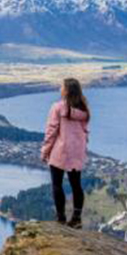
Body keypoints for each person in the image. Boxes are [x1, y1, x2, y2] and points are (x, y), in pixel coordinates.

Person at [41, 78, 90, 228]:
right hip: (77, 151)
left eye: (61, 87)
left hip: (60, 151)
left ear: (66, 90)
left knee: (57, 184)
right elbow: (85, 131)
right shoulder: (83, 110)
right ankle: (76, 218)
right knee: (76, 185)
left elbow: (51, 132)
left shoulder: (57, 107)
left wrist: (45, 151)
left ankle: (61, 218)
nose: (59, 89)